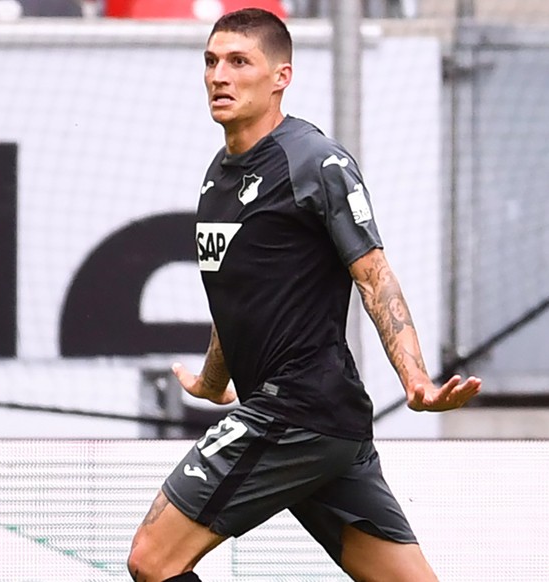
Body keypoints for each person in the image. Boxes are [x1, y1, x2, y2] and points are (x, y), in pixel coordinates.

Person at [127, 8, 482, 582]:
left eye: (240, 61)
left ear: (280, 77)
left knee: (151, 560)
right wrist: (214, 380)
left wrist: (415, 380)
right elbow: (238, 290)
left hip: (293, 410)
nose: (220, 75)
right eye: (212, 61)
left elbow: (376, 276)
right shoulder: (219, 174)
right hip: (320, 424)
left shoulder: (315, 162)